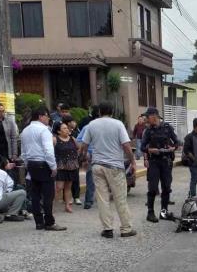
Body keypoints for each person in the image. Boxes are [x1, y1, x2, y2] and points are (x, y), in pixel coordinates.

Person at [81, 102, 137, 238]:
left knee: (102, 198)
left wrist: (84, 159)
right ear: (112, 111)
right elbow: (126, 145)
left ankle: (107, 229)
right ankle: (126, 228)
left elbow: (84, 145)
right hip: (114, 166)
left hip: (97, 165)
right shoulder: (118, 124)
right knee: (120, 198)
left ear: (99, 112)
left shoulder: (91, 125)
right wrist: (133, 161)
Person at [20, 106, 66, 231]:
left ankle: (39, 222)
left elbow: (23, 152)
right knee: (48, 195)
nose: (48, 118)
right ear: (40, 116)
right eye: (47, 115)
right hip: (43, 164)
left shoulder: (25, 131)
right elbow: (48, 151)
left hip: (31, 164)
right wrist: (53, 167)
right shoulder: (44, 130)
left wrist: (27, 164)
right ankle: (49, 222)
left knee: (35, 194)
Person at [141, 107, 180, 222]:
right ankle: (150, 213)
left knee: (167, 187)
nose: (146, 119)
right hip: (154, 162)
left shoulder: (167, 128)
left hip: (166, 161)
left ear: (154, 116)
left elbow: (177, 142)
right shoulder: (148, 131)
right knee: (152, 188)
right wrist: (150, 150)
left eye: (148, 117)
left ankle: (164, 212)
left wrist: (173, 147)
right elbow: (142, 146)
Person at [53, 121, 80, 213]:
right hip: (60, 166)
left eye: (67, 128)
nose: (67, 130)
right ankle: (52, 206)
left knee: (68, 186)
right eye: (64, 128)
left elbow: (78, 148)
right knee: (59, 187)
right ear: (59, 131)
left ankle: (67, 205)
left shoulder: (72, 138)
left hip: (72, 166)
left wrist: (76, 158)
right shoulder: (55, 139)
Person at [76, 122, 95, 210]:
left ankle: (89, 200)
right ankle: (89, 200)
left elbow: (80, 140)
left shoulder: (88, 126)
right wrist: (85, 153)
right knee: (91, 177)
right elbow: (80, 140)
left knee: (91, 177)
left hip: (96, 155)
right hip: (94, 155)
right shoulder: (89, 127)